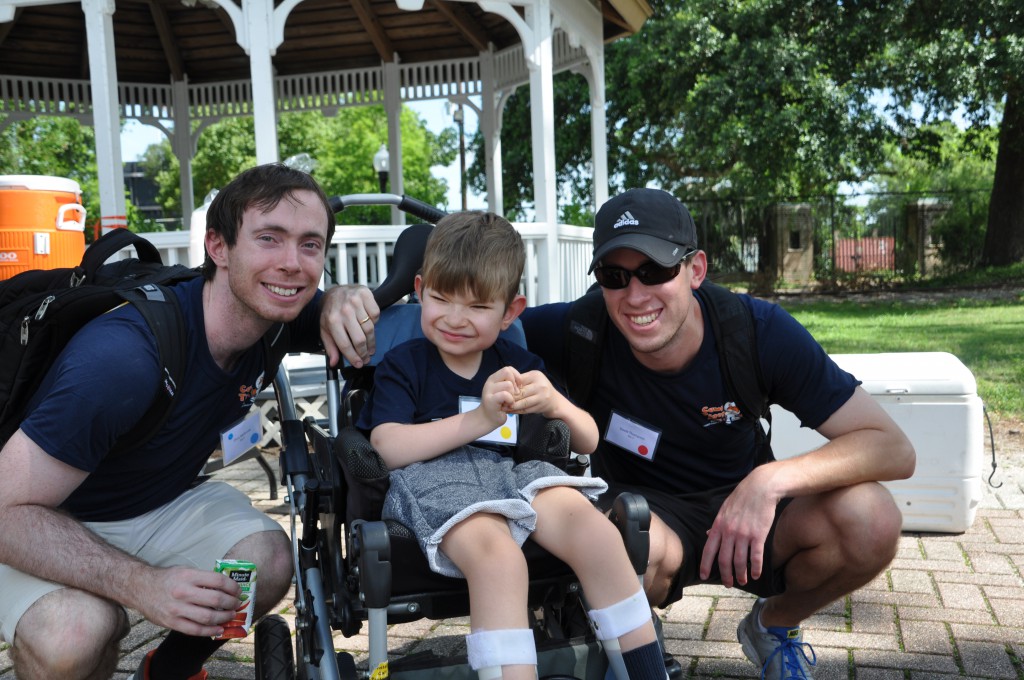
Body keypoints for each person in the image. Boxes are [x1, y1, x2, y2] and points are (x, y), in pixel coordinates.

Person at [329, 189, 916, 680]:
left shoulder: (755, 330)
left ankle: (766, 627)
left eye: (655, 271)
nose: (635, 295)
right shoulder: (567, 330)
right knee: (601, 537)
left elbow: (892, 447)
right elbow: (441, 349)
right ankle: (605, 648)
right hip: (642, 516)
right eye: (615, 276)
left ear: (696, 269)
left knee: (870, 517)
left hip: (745, 510)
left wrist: (770, 481)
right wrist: (342, 303)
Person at [0, 163, 363, 680]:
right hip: (40, 518)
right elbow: (6, 511)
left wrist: (341, 299)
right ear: (218, 247)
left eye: (310, 245)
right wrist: (141, 585)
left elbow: (336, 307)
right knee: (74, 637)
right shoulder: (123, 359)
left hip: (155, 503)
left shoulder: (273, 313)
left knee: (265, 561)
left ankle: (169, 670)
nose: (291, 264)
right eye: (269, 238)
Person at [354, 211, 666, 680]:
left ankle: (645, 672)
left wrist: (557, 403)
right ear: (419, 290)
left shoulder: (518, 364)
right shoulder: (405, 364)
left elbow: (588, 439)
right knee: (500, 560)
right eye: (440, 299)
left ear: (509, 312)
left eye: (477, 306)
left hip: (515, 477)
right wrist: (478, 420)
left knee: (599, 534)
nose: (455, 318)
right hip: (434, 481)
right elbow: (386, 447)